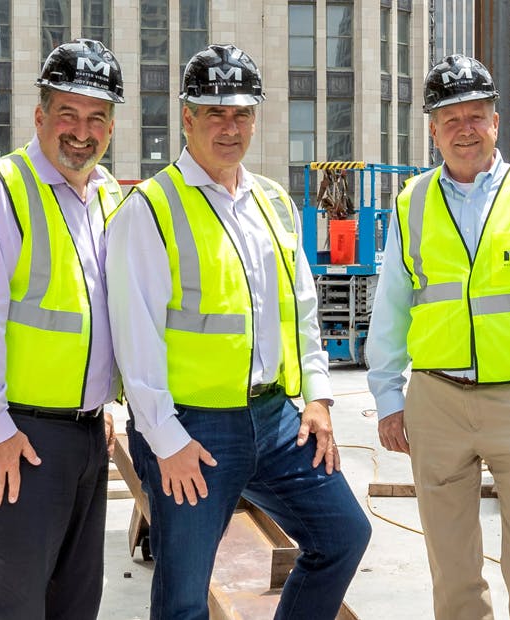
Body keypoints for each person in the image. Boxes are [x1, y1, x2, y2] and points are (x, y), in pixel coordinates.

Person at [106, 44, 371, 619]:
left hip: (275, 419)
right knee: (182, 595)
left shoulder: (272, 201)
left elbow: (300, 307)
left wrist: (319, 398)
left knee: (344, 535)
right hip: (194, 429)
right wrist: (166, 441)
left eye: (242, 113)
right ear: (187, 118)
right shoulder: (149, 209)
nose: (230, 127)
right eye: (214, 113)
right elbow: (136, 341)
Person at [366, 54, 510, 619]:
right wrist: (390, 398)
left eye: (475, 116)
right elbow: (391, 306)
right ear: (433, 130)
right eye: (450, 119)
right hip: (436, 400)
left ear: (496, 121)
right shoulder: (411, 202)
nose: (464, 129)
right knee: (451, 560)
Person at [0, 38, 125, 619]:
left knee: (74, 604)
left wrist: (108, 402)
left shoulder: (104, 196)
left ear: (112, 126)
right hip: (15, 439)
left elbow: (99, 314)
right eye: (67, 113)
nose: (81, 130)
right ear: (40, 116)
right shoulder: (0, 194)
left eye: (96, 117)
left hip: (85, 436)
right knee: (15, 605)